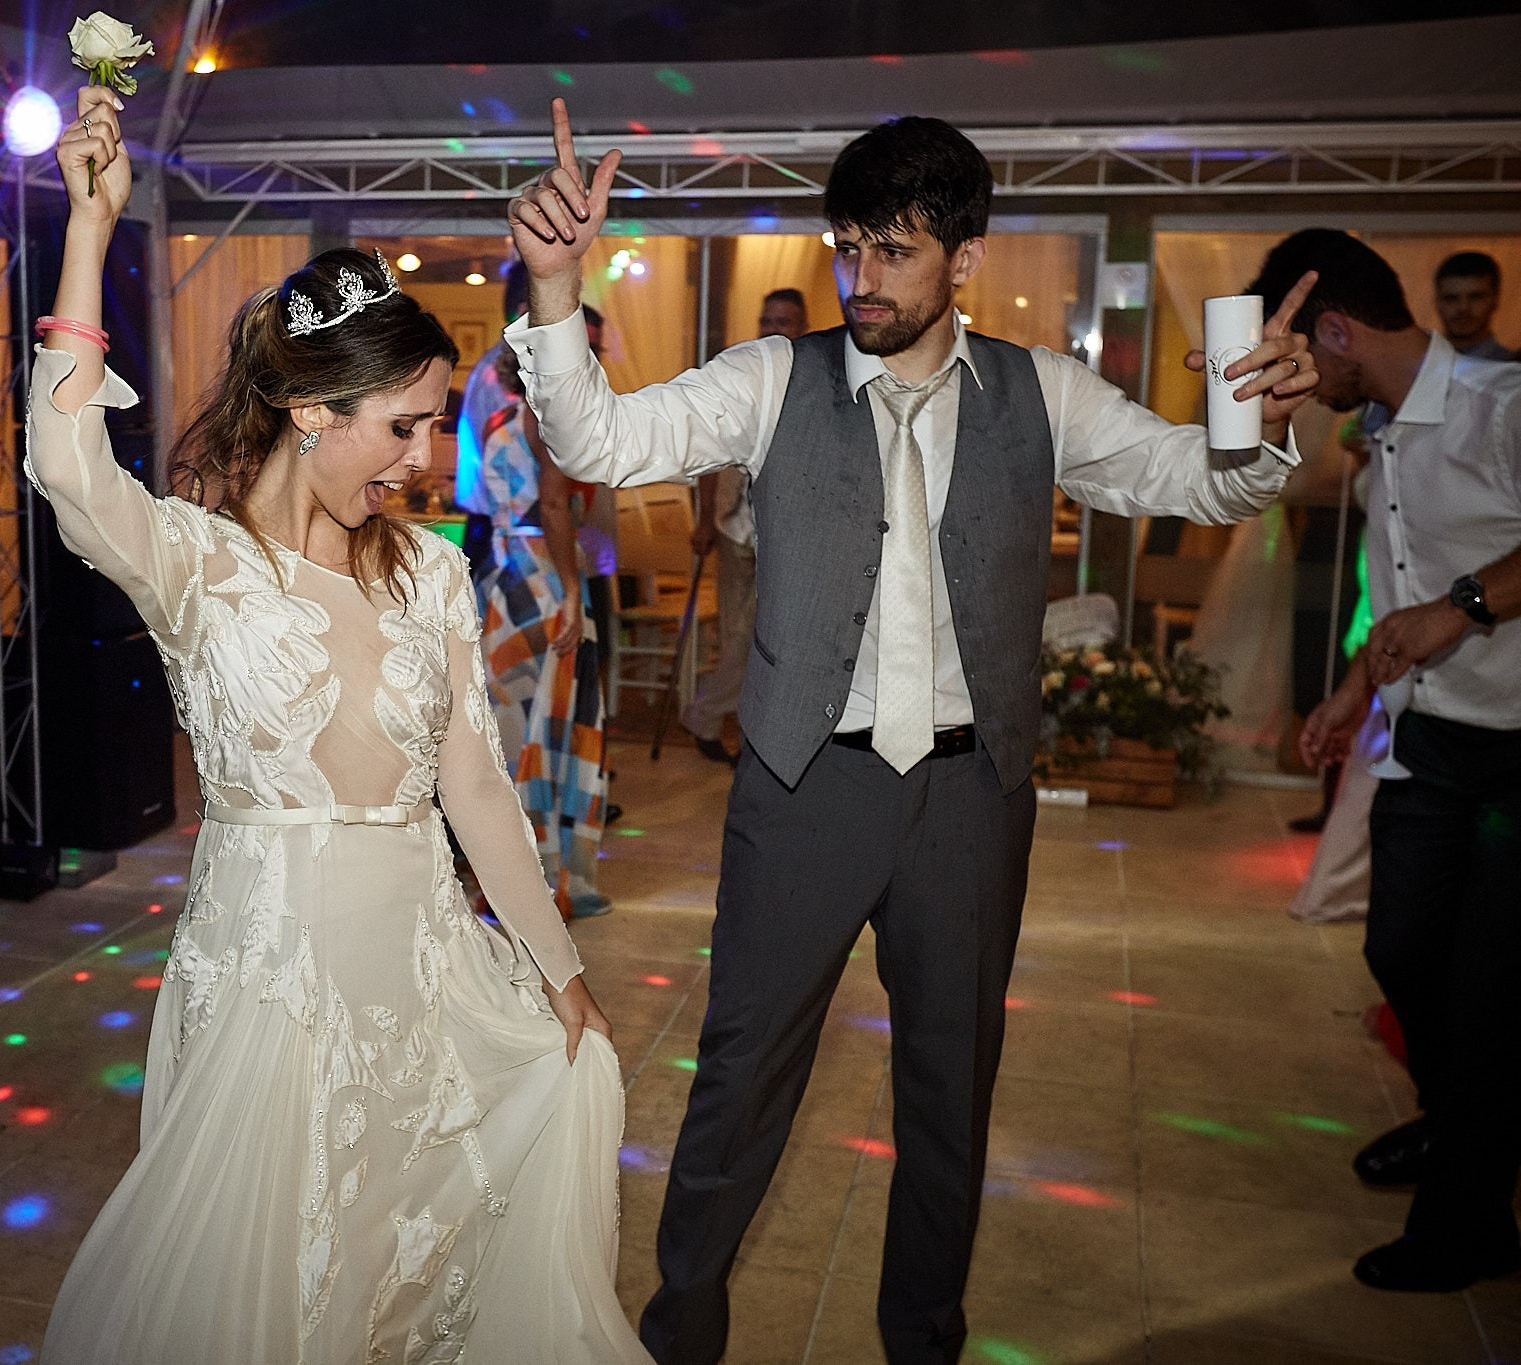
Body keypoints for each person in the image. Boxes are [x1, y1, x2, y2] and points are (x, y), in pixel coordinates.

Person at [506, 101, 1317, 1365]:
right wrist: (555, 296)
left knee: (949, 1092)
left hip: (966, 797)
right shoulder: (772, 379)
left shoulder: (1040, 393)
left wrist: (1258, 422)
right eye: (848, 249)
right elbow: (601, 440)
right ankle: (678, 1339)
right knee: (736, 1086)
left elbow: (1197, 480)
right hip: (801, 788)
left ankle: (921, 1342)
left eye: (891, 251)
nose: (861, 278)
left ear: (964, 257)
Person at [27, 88, 648, 1364]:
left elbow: (472, 781)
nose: (425, 459)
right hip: (271, 982)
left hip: (420, 961)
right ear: (315, 413)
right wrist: (87, 228)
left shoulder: (425, 571)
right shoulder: (195, 563)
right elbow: (69, 467)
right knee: (270, 1288)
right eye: (404, 426)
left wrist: (555, 965)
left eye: (429, 426)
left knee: (405, 1263)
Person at [1285, 228, 1521, 1294]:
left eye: (1304, 350)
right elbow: (1397, 583)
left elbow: (1442, 595)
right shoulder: (1377, 426)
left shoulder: (1497, 405)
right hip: (1422, 735)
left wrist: (1461, 609)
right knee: (1397, 950)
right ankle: (1457, 1118)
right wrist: (1349, 690)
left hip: (1515, 752)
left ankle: (1467, 1223)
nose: (1304, 374)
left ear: (1338, 328)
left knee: (1481, 997)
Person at [477, 347, 613, 920]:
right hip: (547, 581)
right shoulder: (548, 424)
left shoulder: (497, 421)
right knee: (557, 734)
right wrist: (571, 598)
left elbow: (486, 506)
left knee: (512, 735)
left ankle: (508, 882)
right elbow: (555, 508)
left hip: (506, 582)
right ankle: (557, 883)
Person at [682, 288, 808, 763]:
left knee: (773, 635)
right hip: (737, 529)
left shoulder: (811, 378)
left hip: (788, 534)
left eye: (785, 321)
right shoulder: (743, 372)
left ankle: (723, 719)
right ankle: (710, 717)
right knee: (741, 633)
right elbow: (711, 456)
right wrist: (703, 520)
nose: (774, 328)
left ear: (803, 326)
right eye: (768, 319)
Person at [454, 261, 535, 585]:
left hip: (501, 523)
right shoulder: (505, 370)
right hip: (502, 527)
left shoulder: (503, 362)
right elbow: (518, 456)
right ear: (525, 307)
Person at [1434, 251, 1515, 362]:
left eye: (1476, 297)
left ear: (1495, 299)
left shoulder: (1512, 370)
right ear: (1437, 302)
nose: (1463, 308)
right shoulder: (1414, 369)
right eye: (1451, 298)